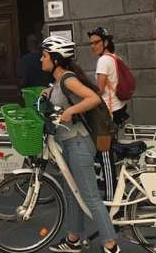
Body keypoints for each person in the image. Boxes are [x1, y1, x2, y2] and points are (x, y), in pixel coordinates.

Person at [40, 35, 122, 253]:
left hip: (78, 143)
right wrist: (48, 94)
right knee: (72, 194)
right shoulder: (59, 82)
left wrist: (70, 111)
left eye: (44, 55)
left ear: (56, 59)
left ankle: (111, 245)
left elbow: (94, 98)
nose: (41, 59)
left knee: (90, 195)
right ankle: (73, 239)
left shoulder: (67, 79)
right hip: (67, 143)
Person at [89, 27, 129, 126]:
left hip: (109, 109)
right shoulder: (115, 57)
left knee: (103, 141)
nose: (93, 46)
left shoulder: (103, 60)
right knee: (113, 140)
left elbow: (100, 90)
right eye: (91, 43)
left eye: (97, 42)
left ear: (106, 42)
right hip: (119, 106)